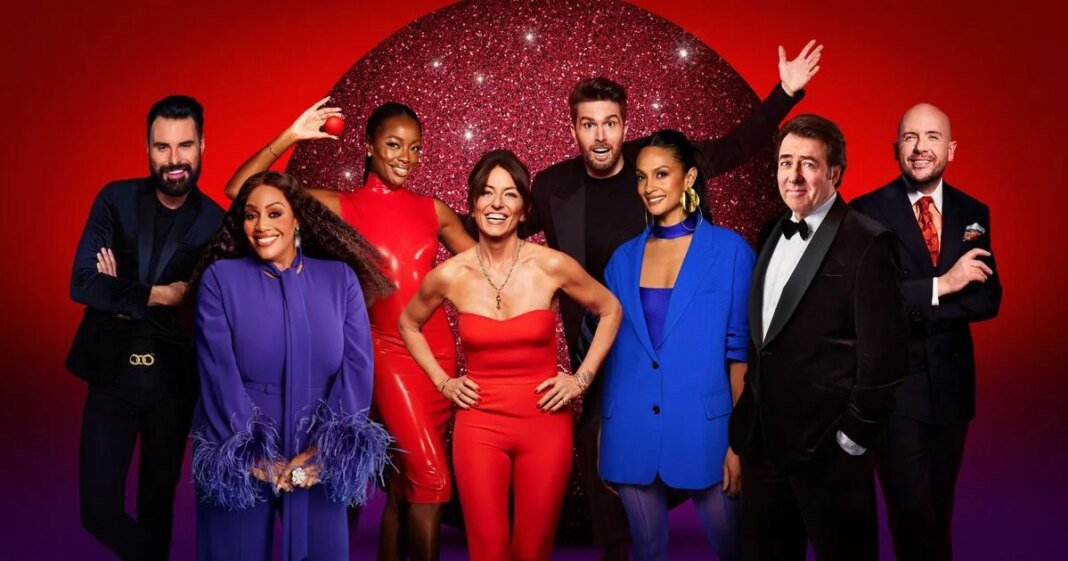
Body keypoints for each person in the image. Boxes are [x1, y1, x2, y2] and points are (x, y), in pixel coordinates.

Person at [525, 42, 822, 558]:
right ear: (573, 130)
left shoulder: (659, 160)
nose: (601, 135)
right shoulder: (555, 188)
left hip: (687, 356)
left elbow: (733, 147)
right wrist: (425, 218)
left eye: (611, 123)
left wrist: (785, 92)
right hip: (609, 356)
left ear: (626, 125)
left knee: (723, 505)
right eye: (589, 125)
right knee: (603, 464)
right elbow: (498, 224)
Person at [225, 101, 475, 560]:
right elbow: (241, 190)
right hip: (387, 352)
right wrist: (291, 135)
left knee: (404, 486)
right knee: (432, 480)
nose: (406, 157)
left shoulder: (433, 210)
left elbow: (485, 267)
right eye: (394, 145)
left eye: (415, 148)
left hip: (439, 355)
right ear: (369, 146)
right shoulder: (342, 206)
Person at [399, 150, 621, 561]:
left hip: (545, 424)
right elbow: (408, 324)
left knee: (532, 550)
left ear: (523, 209)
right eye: (487, 193)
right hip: (478, 425)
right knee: (488, 550)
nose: (497, 204)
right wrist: (443, 381)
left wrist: (581, 378)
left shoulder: (551, 265)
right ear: (472, 204)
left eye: (510, 194)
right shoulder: (450, 274)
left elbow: (610, 309)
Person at [727, 114, 909, 560]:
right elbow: (764, 339)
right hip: (763, 446)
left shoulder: (868, 241)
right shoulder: (771, 231)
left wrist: (851, 439)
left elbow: (886, 359)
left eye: (808, 163)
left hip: (829, 454)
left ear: (835, 173)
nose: (793, 175)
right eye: (785, 162)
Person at [190, 170, 393, 561]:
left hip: (318, 435)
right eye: (251, 215)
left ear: (297, 218)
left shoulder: (340, 279)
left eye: (274, 213)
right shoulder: (220, 279)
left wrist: (324, 451)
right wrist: (248, 450)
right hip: (241, 433)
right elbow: (217, 371)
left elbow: (356, 367)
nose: (261, 226)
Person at [66, 95, 224, 561]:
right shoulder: (114, 199)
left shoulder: (216, 223)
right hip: (110, 374)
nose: (174, 159)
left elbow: (206, 310)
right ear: (148, 148)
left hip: (173, 384)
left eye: (185, 145)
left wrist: (121, 294)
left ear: (202, 146)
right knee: (98, 512)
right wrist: (162, 295)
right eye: (162, 147)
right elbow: (83, 283)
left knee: (156, 510)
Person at [850, 103, 1001, 561]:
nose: (920, 148)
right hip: (896, 392)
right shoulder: (865, 212)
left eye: (932, 137)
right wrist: (943, 286)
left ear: (951, 149)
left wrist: (912, 302)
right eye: (910, 137)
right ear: (895, 148)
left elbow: (988, 299)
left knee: (938, 511)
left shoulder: (973, 212)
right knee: (911, 515)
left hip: (953, 389)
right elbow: (865, 302)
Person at [599, 130, 754, 561]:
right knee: (647, 550)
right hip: (629, 425)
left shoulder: (731, 251)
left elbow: (741, 355)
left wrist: (739, 443)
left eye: (661, 174)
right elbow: (611, 353)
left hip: (707, 430)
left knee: (734, 547)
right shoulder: (621, 260)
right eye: (641, 176)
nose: (649, 187)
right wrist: (605, 432)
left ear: (688, 178)